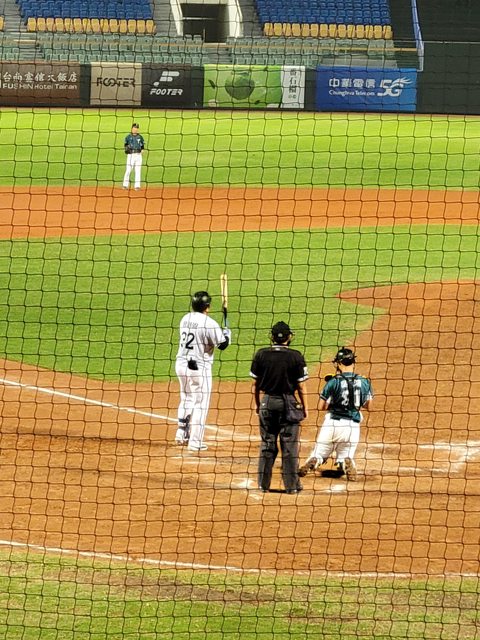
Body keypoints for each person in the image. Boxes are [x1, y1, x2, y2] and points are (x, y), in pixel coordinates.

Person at [250, 321, 308, 494]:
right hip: (288, 403)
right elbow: (301, 387)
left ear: (272, 337)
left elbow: (255, 385)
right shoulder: (296, 356)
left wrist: (258, 404)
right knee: (289, 446)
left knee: (267, 444)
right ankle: (291, 486)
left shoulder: (261, 354)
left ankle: (263, 485)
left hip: (267, 402)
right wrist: (305, 408)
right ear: (289, 337)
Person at [298, 347, 373, 482]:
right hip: (352, 426)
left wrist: (335, 403)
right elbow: (369, 406)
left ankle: (315, 460)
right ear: (353, 362)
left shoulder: (333, 381)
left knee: (320, 452)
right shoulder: (364, 382)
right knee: (346, 453)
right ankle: (345, 462)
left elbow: (321, 406)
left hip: (332, 424)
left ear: (339, 363)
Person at [175, 291, 231, 452]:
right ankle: (195, 441)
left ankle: (181, 434)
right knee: (201, 403)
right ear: (208, 306)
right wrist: (227, 335)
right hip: (198, 368)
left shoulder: (185, 318)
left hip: (181, 364)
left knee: (186, 398)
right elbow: (222, 345)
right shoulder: (209, 323)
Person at [123, 123, 145, 190]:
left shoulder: (140, 137)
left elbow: (142, 145)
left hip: (138, 155)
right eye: (134, 128)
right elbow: (125, 145)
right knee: (128, 170)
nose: (135, 129)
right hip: (131, 155)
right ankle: (125, 185)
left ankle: (137, 186)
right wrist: (127, 149)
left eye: (137, 128)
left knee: (138, 170)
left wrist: (142, 150)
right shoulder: (128, 137)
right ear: (132, 128)